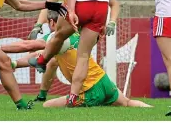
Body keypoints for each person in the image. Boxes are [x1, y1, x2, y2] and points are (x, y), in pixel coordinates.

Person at [11, 10, 152, 109]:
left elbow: (27, 45)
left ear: (53, 22)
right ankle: (151, 110)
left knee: (47, 106)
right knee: (126, 103)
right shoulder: (79, 34)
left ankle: (90, 101)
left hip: (89, 89)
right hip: (103, 81)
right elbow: (40, 55)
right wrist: (15, 63)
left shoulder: (56, 38)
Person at [29, 0, 110, 107]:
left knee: (58, 35)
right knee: (83, 56)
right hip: (101, 7)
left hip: (82, 3)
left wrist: (71, 10)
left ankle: (42, 60)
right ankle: (73, 97)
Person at [25, 0, 119, 102]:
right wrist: (38, 24)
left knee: (67, 51)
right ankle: (50, 91)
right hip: (91, 23)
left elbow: (48, 4)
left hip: (80, 24)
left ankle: (43, 63)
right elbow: (49, 4)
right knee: (64, 59)